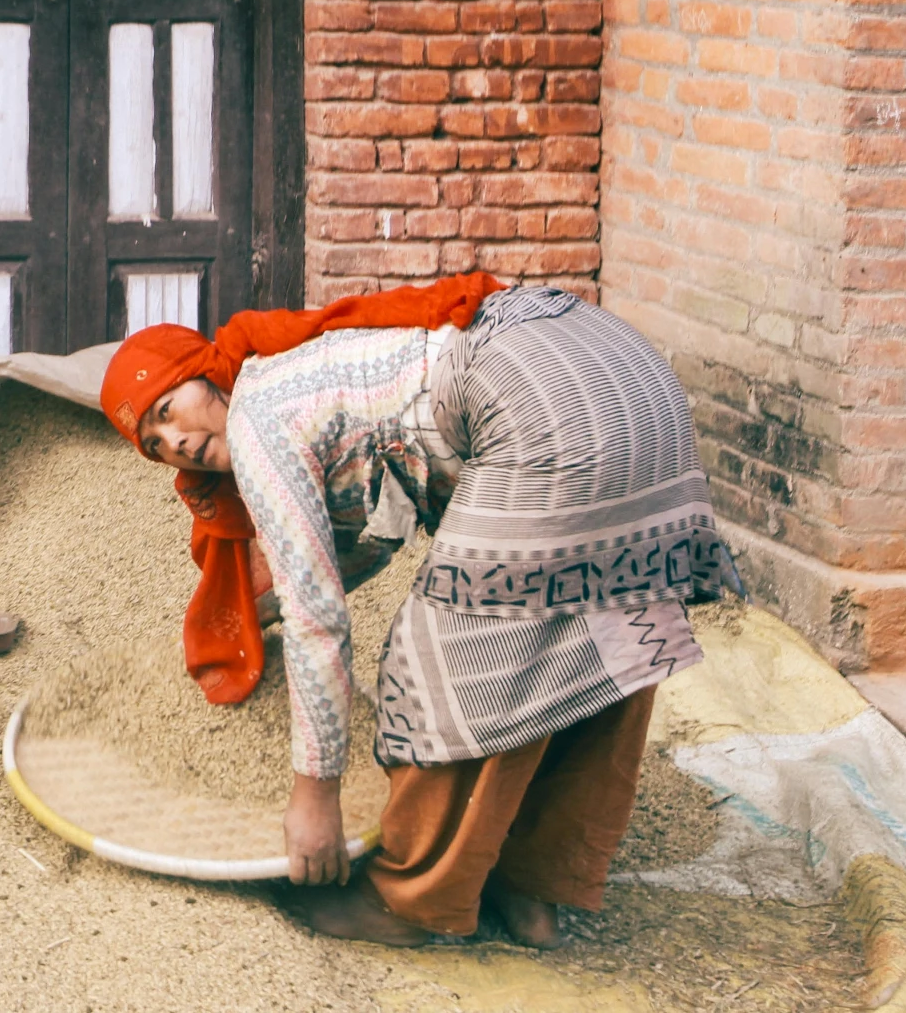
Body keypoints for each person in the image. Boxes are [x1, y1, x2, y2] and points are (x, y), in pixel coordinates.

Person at [100, 275, 738, 948]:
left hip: (536, 395)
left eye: (169, 408)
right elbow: (373, 527)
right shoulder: (309, 369)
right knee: (602, 624)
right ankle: (531, 889)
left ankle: (403, 902)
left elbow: (317, 619)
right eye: (154, 444)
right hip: (621, 372)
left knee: (441, 663)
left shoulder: (257, 415)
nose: (176, 442)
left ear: (209, 377)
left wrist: (314, 796)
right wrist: (265, 610)